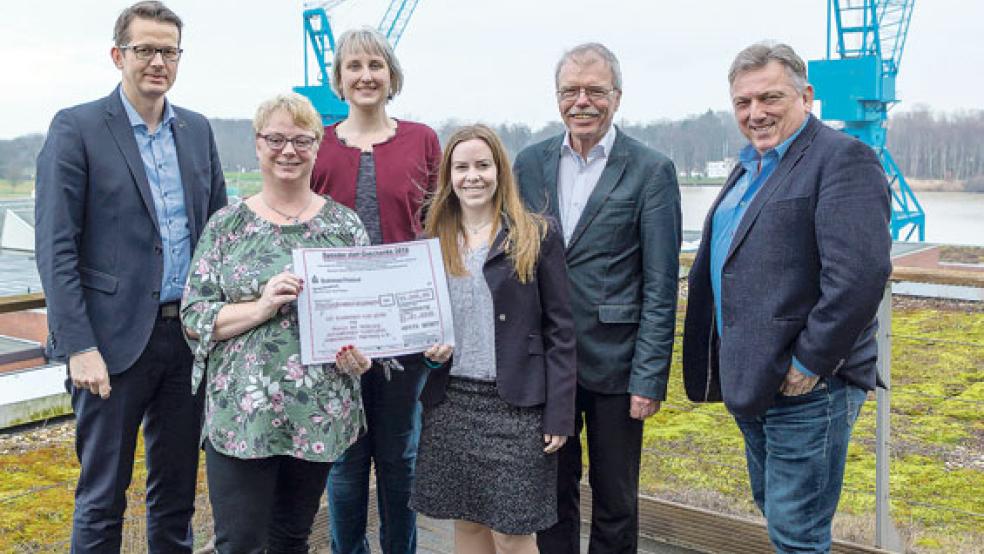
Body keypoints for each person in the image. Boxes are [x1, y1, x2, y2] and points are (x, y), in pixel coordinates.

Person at [682, 42, 892, 553]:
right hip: (756, 381)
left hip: (808, 388)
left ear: (807, 95)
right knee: (777, 513)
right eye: (743, 103)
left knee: (798, 531)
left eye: (770, 98)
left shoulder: (843, 160)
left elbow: (860, 274)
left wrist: (810, 362)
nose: (756, 113)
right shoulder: (750, 166)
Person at [33, 2, 226, 551]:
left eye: (169, 51)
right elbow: (56, 247)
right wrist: (78, 345)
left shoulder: (197, 131)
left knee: (177, 496)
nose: (157, 62)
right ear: (118, 55)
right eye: (145, 50)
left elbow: (215, 238)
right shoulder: (78, 127)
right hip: (110, 346)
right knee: (101, 496)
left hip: (185, 339)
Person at [180, 92, 374, 553]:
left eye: (301, 140)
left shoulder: (346, 227)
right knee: (239, 542)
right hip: (242, 417)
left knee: (291, 539)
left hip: (318, 411)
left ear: (318, 145)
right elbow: (194, 316)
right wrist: (261, 307)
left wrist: (361, 354)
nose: (289, 150)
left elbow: (366, 317)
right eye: (276, 139)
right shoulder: (226, 226)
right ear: (257, 144)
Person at [513, 42, 682, 554]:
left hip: (617, 368)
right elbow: (514, 263)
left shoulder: (650, 169)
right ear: (557, 97)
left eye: (595, 90)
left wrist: (649, 377)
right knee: (551, 498)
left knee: (615, 501)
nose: (581, 101)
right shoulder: (530, 163)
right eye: (570, 91)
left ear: (617, 96)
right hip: (546, 366)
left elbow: (660, 284)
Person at [409, 124, 576, 554]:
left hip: (517, 407)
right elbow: (420, 324)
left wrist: (560, 412)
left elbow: (561, 330)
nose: (473, 176)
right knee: (467, 524)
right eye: (461, 167)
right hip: (451, 403)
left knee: (513, 533)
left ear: (500, 170)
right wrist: (428, 353)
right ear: (449, 177)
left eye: (483, 165)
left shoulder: (537, 235)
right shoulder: (432, 241)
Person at [310, 27, 441, 554]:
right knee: (344, 459)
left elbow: (439, 228)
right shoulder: (318, 143)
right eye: (354, 66)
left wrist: (438, 321)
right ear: (338, 79)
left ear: (392, 75)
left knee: (399, 456)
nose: (365, 76)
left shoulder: (423, 140)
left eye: (376, 66)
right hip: (338, 332)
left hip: (404, 329)